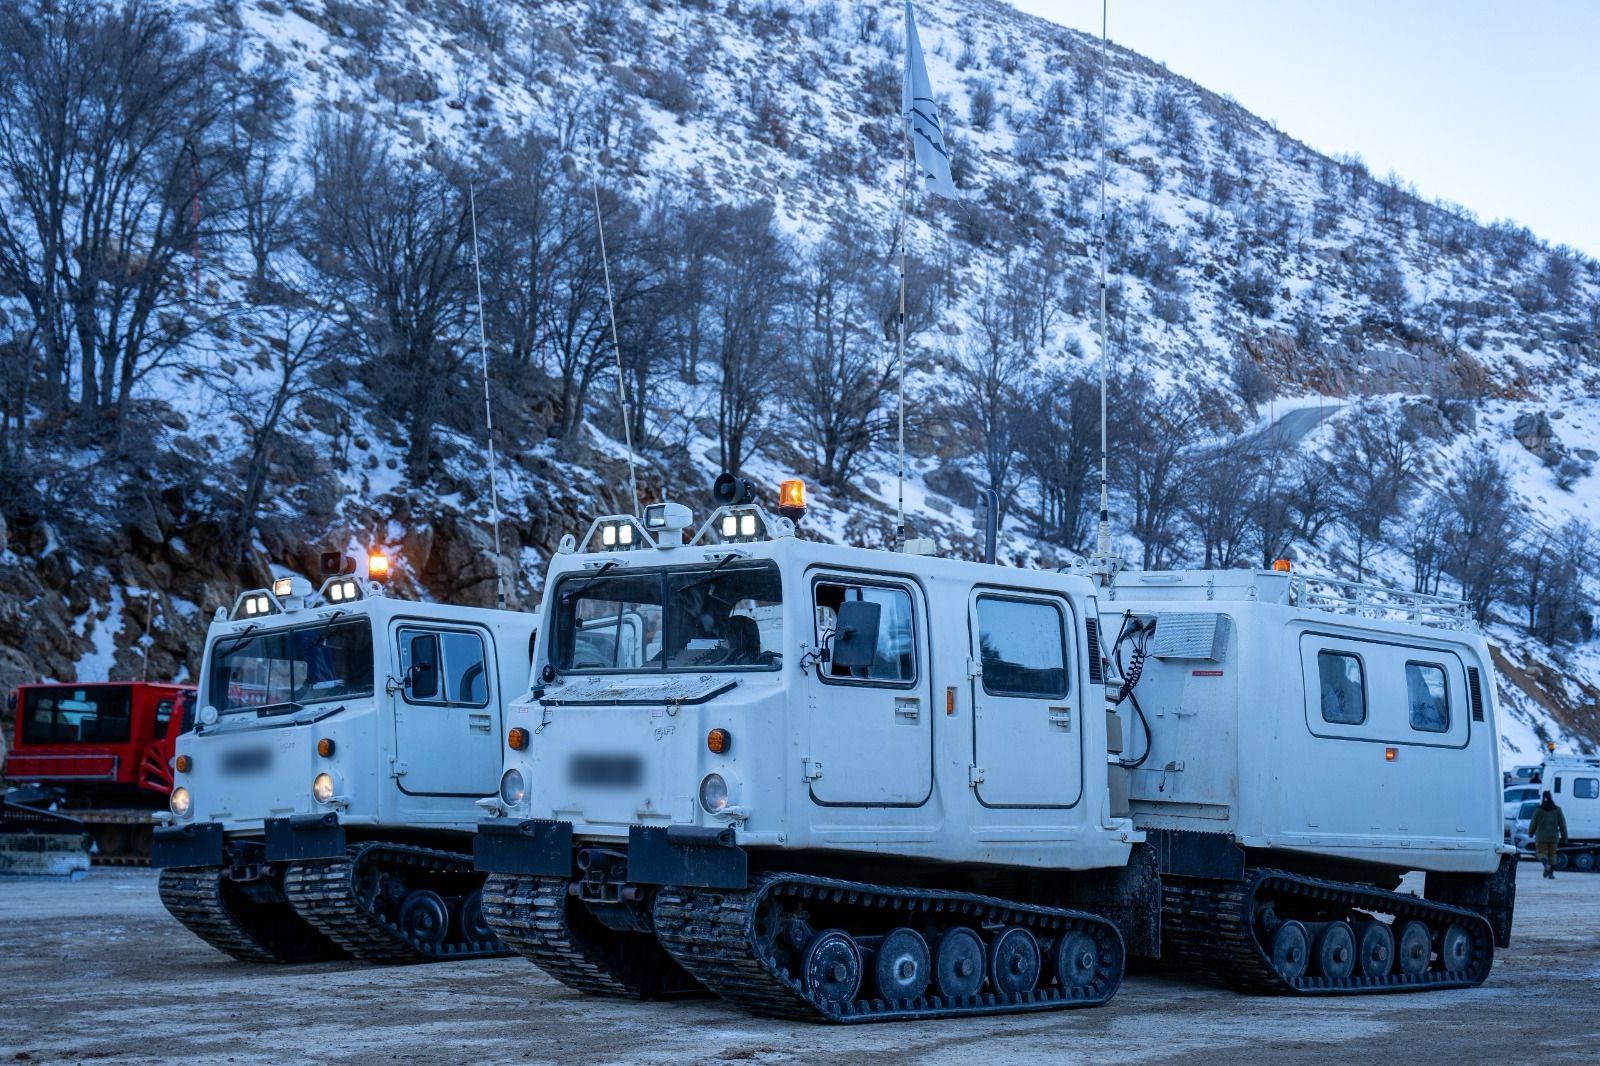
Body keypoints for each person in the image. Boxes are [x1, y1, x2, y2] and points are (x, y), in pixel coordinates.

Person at [1528, 791, 1569, 879]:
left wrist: (1530, 833)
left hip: (1541, 837)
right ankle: (1551, 874)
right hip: (1553, 837)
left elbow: (1533, 823)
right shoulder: (1557, 810)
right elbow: (1562, 825)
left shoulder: (1538, 810)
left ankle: (1546, 865)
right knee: (1552, 854)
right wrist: (1564, 838)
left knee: (1541, 853)